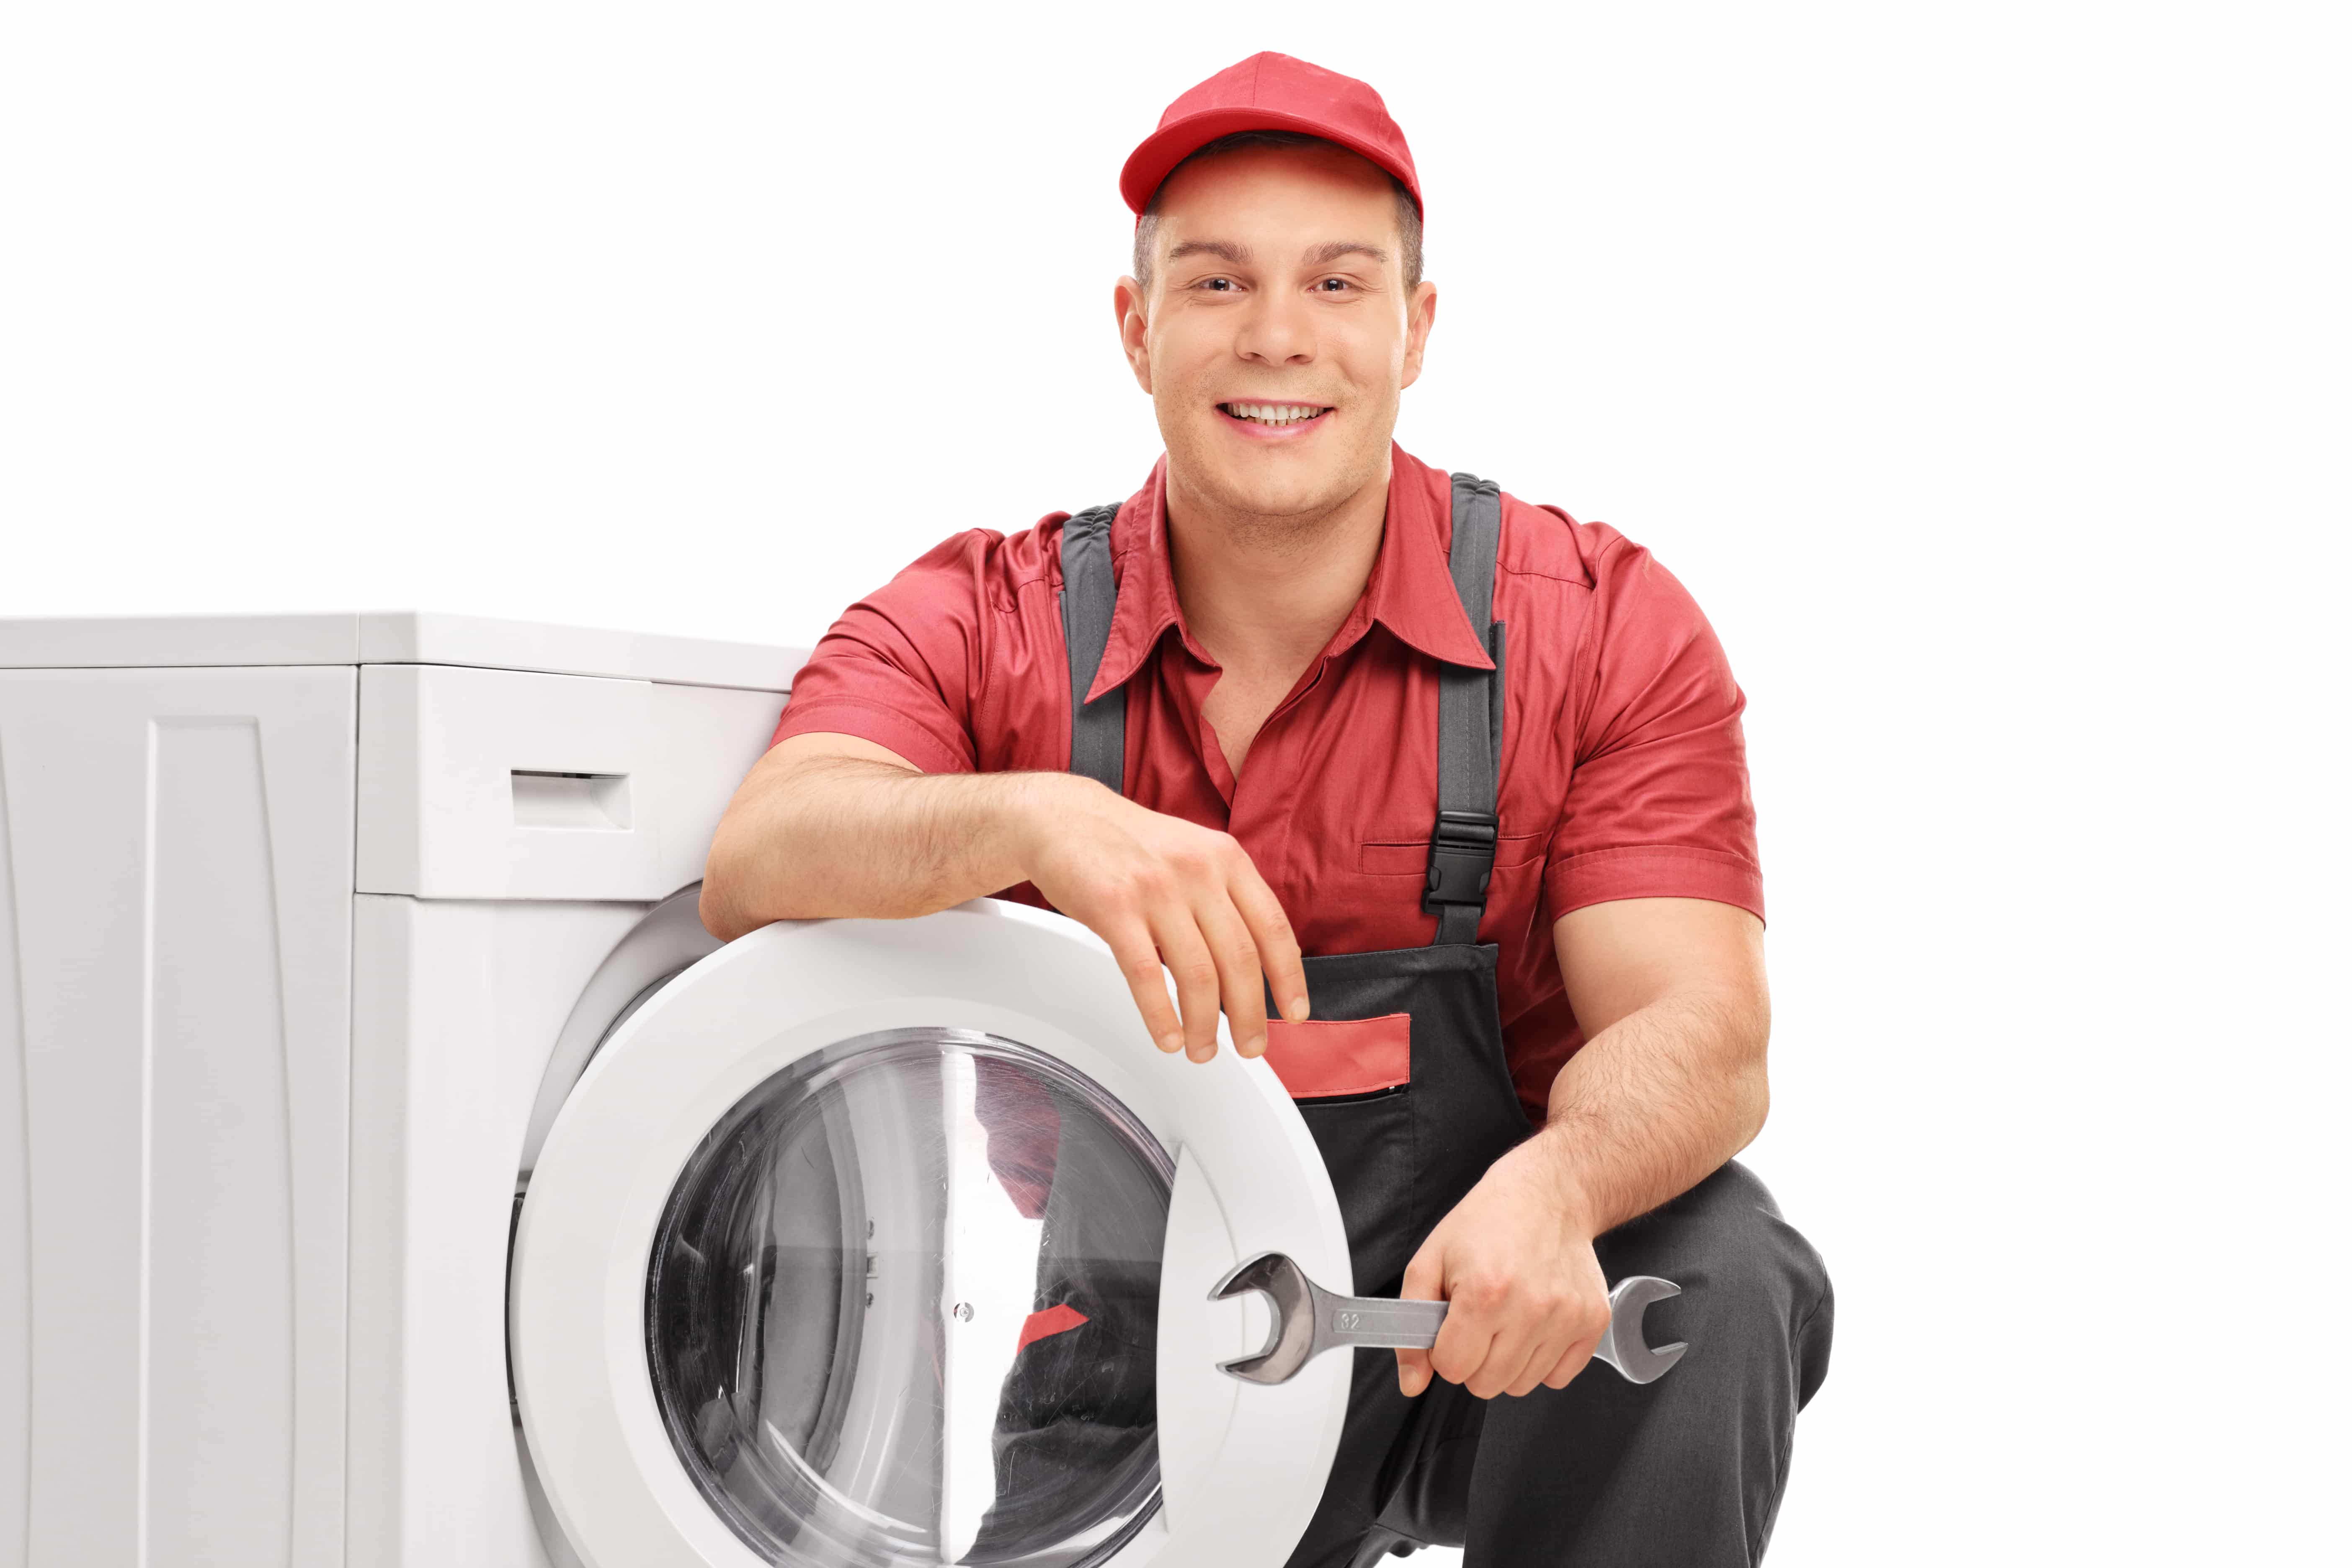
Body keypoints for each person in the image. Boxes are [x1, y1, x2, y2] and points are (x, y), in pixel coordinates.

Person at [701, 50, 1832, 1568]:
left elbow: (1707, 1035)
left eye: (1340, 284)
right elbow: (764, 858)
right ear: (1138, 326)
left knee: (1719, 1266)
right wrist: (1039, 821)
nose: (1281, 339)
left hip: (1490, 1320)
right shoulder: (989, 616)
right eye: (1220, 284)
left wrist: (1553, 1190)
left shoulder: (1597, 623)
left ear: (1417, 328)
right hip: (1140, 1352)